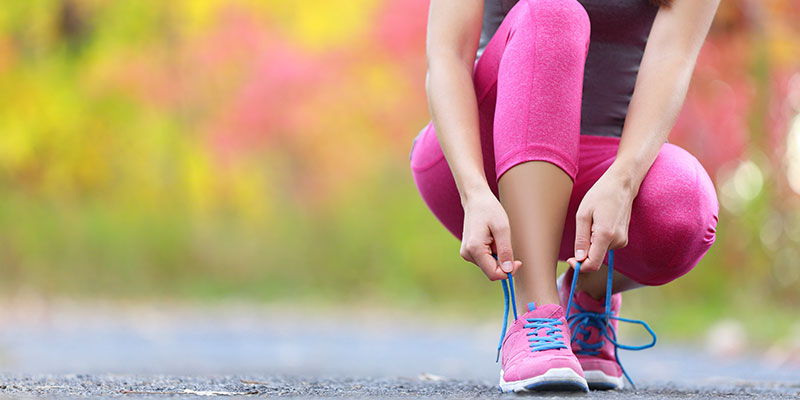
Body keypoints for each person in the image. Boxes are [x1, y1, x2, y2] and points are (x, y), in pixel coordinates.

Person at [408, 0, 720, 392]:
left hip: (605, 170)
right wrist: (473, 190)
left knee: (686, 205)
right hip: (480, 160)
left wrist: (624, 179)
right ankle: (536, 316)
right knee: (554, 11)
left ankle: (585, 294)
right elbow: (447, 55)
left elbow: (674, 55)